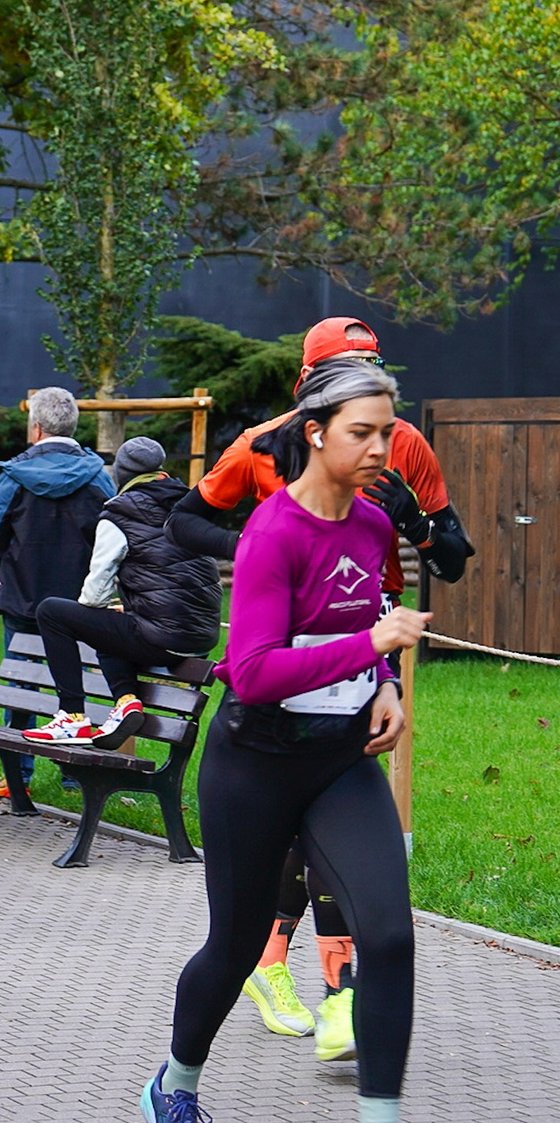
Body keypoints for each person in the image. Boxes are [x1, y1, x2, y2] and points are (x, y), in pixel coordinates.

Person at [166, 317, 473, 1055]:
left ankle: (338, 989)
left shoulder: (400, 443)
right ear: (310, 393)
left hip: (369, 657)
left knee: (345, 843)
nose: (373, 442)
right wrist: (260, 549)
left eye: (372, 367)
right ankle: (271, 965)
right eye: (345, 371)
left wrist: (414, 524)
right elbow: (185, 522)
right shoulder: (262, 446)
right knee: (284, 847)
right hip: (281, 660)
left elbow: (453, 558)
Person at [140, 358, 425, 1123]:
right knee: (235, 947)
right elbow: (257, 671)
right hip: (255, 763)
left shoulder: (372, 524)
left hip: (340, 760)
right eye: (361, 432)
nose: (379, 449)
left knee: (389, 936)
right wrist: (372, 647)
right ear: (316, 432)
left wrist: (386, 683)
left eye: (387, 433)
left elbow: (366, 613)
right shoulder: (272, 531)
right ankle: (175, 1083)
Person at [24, 436, 221, 747]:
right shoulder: (189, 508)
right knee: (107, 625)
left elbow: (94, 596)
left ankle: (72, 716)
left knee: (52, 612)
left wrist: (104, 611)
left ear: (121, 474)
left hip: (162, 638)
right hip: (201, 638)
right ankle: (126, 701)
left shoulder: (119, 515)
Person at [0, 386, 113, 794]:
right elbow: (113, 534)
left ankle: (18, 774)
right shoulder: (98, 478)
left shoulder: (14, 476)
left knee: (21, 684)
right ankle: (74, 773)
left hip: (23, 596)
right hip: (79, 603)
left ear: (35, 427)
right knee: (77, 681)